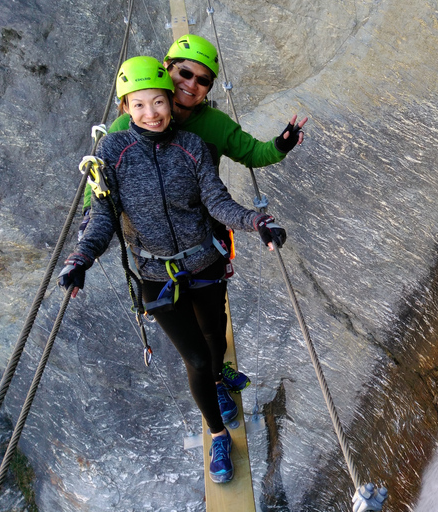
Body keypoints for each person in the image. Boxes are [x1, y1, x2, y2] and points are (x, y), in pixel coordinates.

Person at [59, 56, 287, 483]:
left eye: (159, 102)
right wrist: (81, 258)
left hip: (205, 261)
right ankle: (218, 435)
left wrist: (257, 221)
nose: (152, 113)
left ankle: (220, 381)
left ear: (170, 100)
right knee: (197, 358)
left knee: (215, 337)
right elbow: (103, 215)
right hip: (154, 274)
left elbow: (216, 200)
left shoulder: (193, 147)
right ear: (125, 108)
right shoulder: (112, 152)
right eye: (140, 105)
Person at [78, 34, 307, 393]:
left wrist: (280, 146)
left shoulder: (209, 129)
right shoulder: (124, 134)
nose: (191, 85)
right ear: (166, 70)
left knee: (214, 323)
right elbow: (103, 193)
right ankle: (210, 379)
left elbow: (252, 155)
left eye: (203, 80)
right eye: (184, 73)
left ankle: (215, 372)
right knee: (195, 342)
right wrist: (86, 237)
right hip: (154, 250)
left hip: (205, 237)